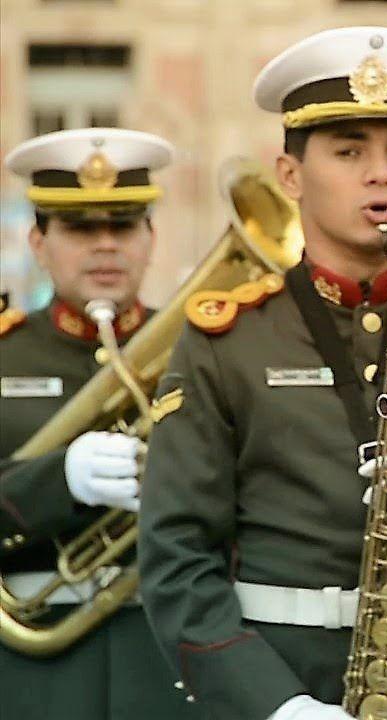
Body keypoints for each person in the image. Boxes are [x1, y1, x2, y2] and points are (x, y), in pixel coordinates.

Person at [138, 27, 387, 720]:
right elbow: (177, 562)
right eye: (349, 151)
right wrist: (278, 706)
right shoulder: (227, 338)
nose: (381, 172)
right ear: (289, 175)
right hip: (279, 677)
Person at [1, 128, 197, 717]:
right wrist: (59, 481)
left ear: (151, 237)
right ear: (39, 242)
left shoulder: (203, 350)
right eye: (81, 228)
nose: (105, 246)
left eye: (123, 226)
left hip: (173, 658)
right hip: (34, 670)